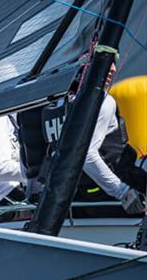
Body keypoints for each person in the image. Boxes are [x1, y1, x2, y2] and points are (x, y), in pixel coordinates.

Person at [19, 69, 146, 217]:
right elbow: (87, 155)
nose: (112, 68)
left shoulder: (52, 106)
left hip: (72, 199)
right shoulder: (102, 100)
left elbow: (37, 160)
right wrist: (123, 192)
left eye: (114, 60)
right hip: (110, 196)